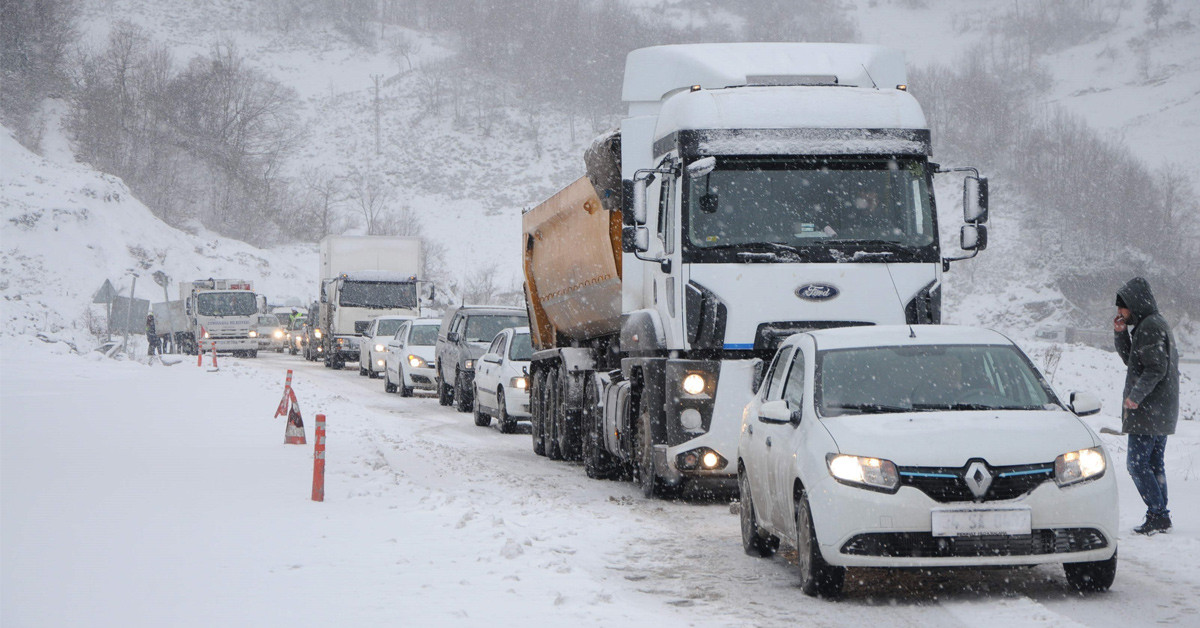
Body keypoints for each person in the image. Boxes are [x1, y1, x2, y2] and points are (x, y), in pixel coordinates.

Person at [1114, 277, 1179, 535]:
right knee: (1153, 463)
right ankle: (1160, 514)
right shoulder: (1149, 323)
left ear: (1134, 304)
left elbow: (1155, 368)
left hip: (1149, 409)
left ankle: (1158, 513)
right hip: (1160, 408)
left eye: (1122, 308)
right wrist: (1120, 335)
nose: (1119, 312)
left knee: (1137, 464)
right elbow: (1133, 361)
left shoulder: (1150, 326)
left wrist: (1136, 397)